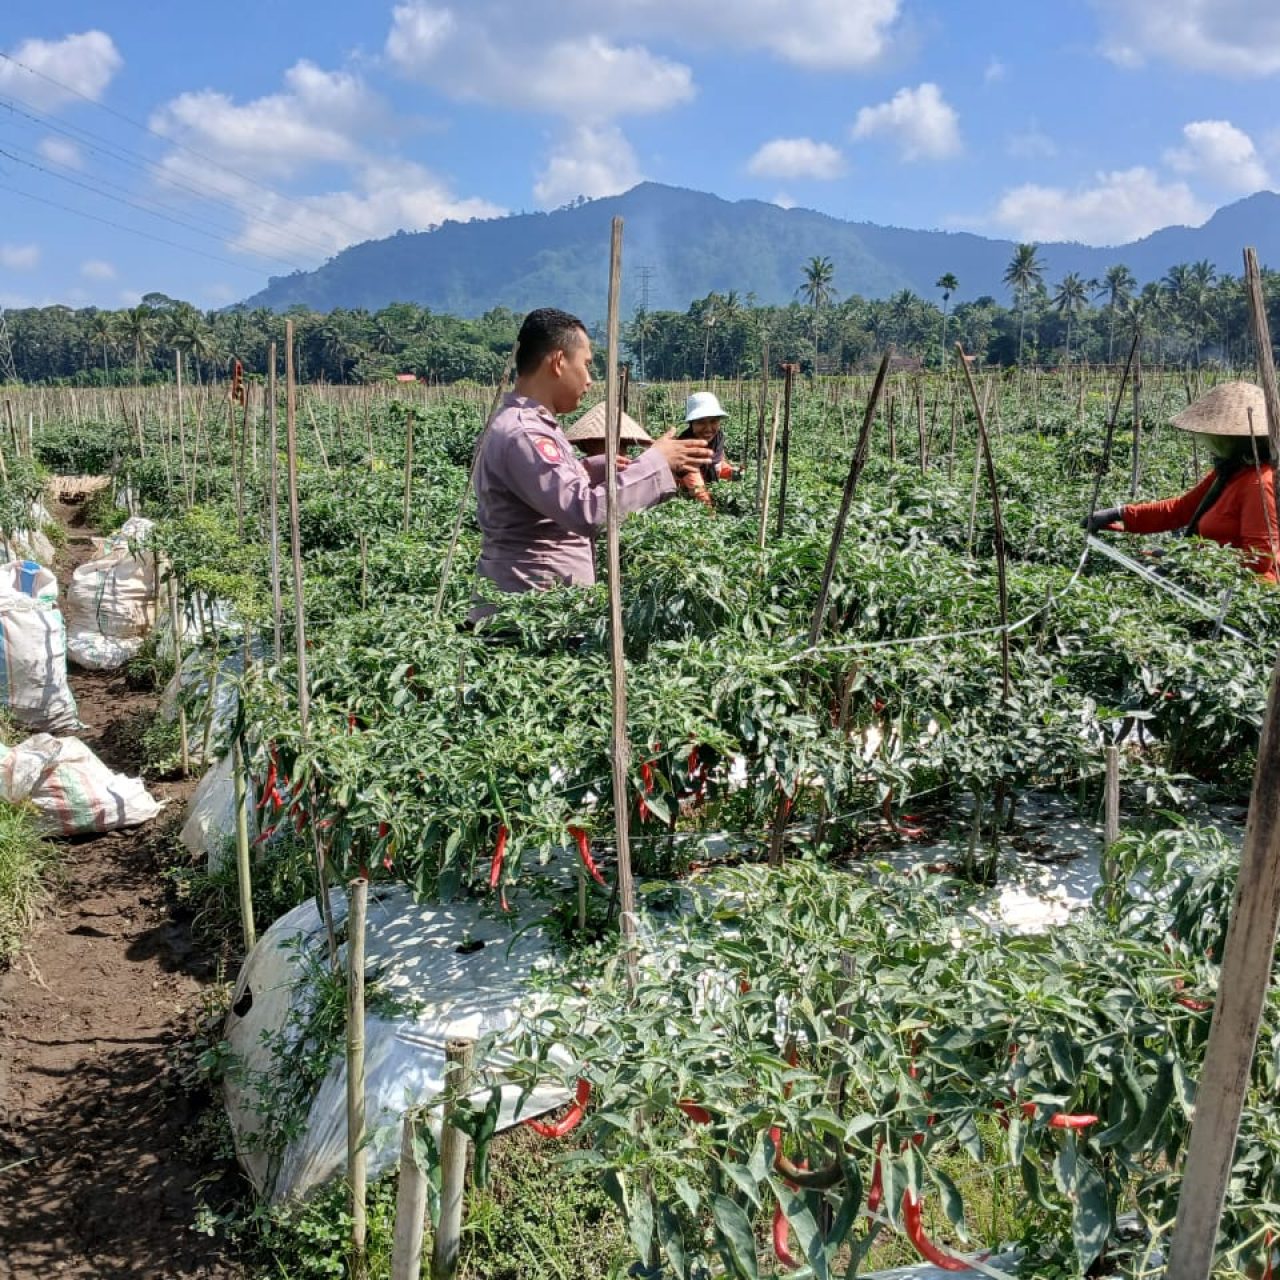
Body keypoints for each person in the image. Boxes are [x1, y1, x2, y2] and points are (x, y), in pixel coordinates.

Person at [472, 308, 713, 608]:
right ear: (559, 362)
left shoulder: (521, 424)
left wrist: (587, 469)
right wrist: (657, 463)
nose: (589, 379)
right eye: (586, 365)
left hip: (534, 606)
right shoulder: (526, 434)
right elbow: (584, 512)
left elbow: (543, 495)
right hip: (530, 615)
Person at [1084, 381, 1279, 581]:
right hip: (1210, 577)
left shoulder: (1259, 484)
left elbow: (1258, 560)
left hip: (1242, 594)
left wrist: (1189, 560)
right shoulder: (1232, 470)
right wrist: (1120, 514)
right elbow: (1182, 509)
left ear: (1232, 439)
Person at [676, 391, 740, 507]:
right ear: (691, 424)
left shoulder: (717, 439)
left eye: (713, 421)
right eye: (701, 422)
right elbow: (697, 490)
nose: (708, 428)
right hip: (682, 500)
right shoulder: (684, 449)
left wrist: (732, 472)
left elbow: (718, 465)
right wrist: (711, 514)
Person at [562, 400, 652, 460]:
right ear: (590, 444)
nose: (622, 451)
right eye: (614, 444)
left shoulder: (625, 472)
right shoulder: (579, 473)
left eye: (624, 445)